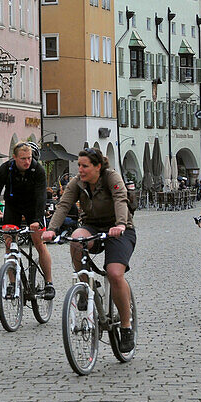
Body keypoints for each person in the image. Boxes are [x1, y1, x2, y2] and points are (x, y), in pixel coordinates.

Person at [42, 148, 137, 354]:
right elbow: (63, 205)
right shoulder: (77, 182)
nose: (81, 170)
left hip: (119, 230)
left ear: (98, 166)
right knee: (76, 240)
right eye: (79, 165)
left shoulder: (112, 177)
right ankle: (84, 287)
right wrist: (51, 230)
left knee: (114, 273)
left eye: (85, 166)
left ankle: (126, 326)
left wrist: (120, 225)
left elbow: (121, 199)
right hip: (92, 226)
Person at [0, 142, 55, 301]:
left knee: (39, 243)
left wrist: (37, 219)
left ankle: (49, 282)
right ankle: (12, 283)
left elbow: (41, 197)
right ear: (14, 157)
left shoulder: (38, 170)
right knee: (9, 243)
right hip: (13, 207)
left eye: (29, 158)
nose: (27, 162)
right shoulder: (5, 169)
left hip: (33, 207)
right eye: (23, 158)